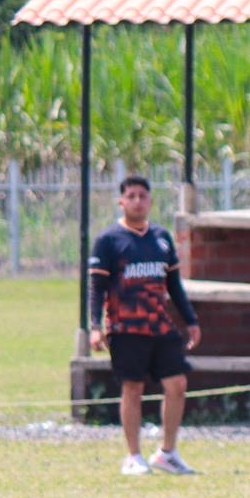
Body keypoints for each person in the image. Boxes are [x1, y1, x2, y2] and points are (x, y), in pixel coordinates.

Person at [88, 175, 200, 476]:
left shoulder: (161, 238)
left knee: (177, 384)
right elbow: (97, 287)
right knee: (133, 388)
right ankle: (133, 456)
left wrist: (190, 321)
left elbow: (174, 285)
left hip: (159, 326)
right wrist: (95, 326)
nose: (138, 201)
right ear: (121, 202)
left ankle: (167, 453)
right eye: (132, 196)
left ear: (150, 201)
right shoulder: (109, 240)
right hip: (126, 327)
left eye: (143, 196)